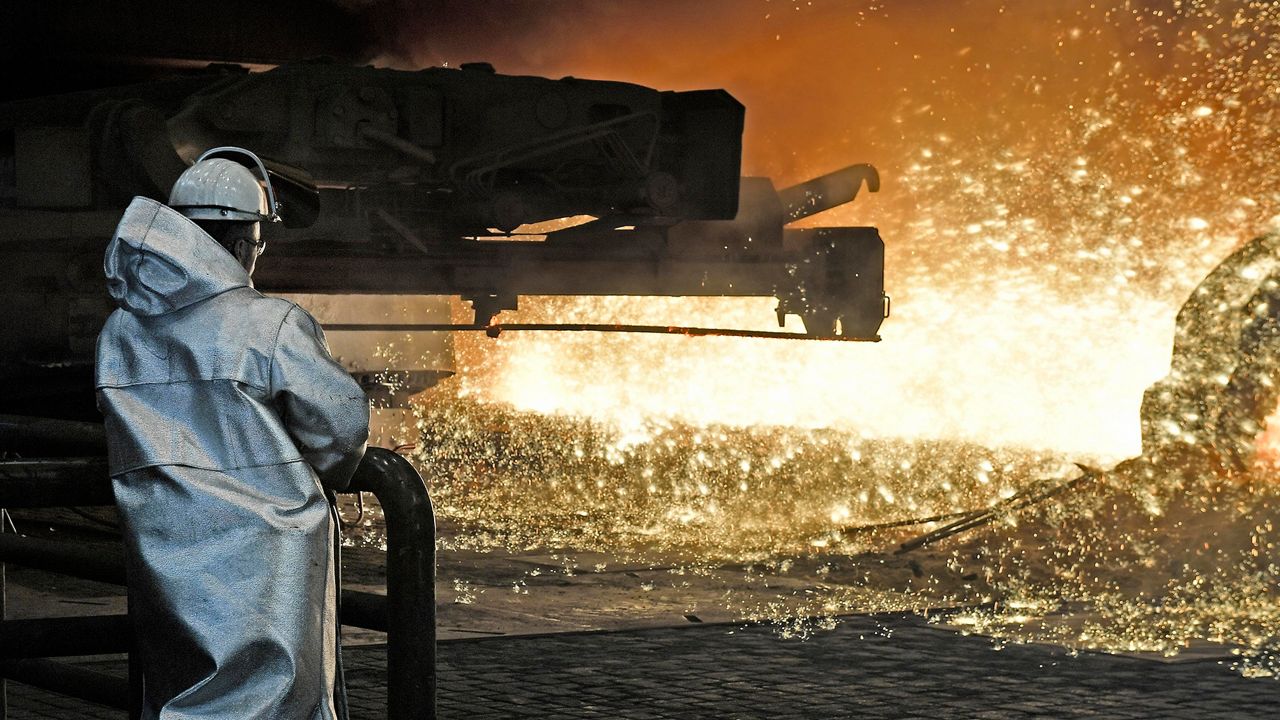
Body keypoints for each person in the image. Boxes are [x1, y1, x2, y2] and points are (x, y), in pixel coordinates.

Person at [95, 147, 369, 719]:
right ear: (247, 241)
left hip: (162, 543)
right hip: (269, 558)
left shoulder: (119, 330)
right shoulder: (270, 324)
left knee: (181, 691)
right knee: (267, 698)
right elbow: (339, 428)